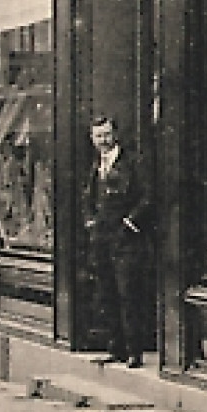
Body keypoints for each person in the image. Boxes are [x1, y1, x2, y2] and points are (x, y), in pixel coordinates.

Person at [84, 114, 152, 368]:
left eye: (106, 135)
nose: (103, 141)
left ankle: (135, 351)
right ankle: (117, 348)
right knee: (107, 293)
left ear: (115, 135)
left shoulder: (132, 163)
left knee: (128, 295)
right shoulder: (96, 166)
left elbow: (148, 197)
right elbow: (88, 198)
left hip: (126, 241)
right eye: (98, 136)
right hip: (102, 240)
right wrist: (90, 221)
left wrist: (129, 223)